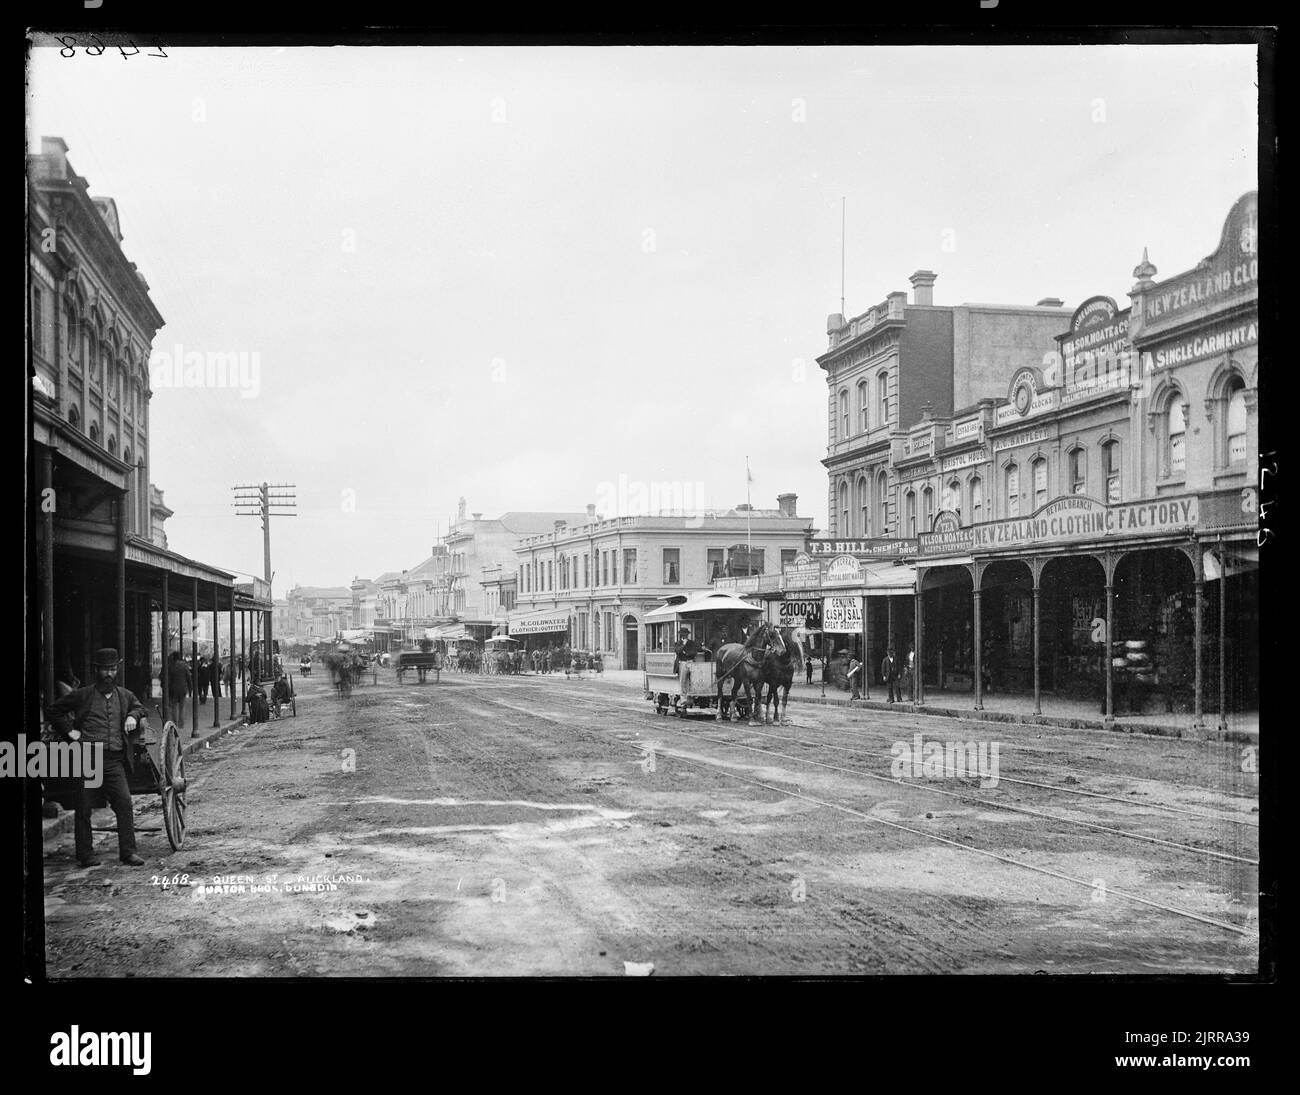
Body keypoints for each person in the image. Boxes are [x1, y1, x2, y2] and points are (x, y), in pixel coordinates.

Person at [46, 648, 149, 867]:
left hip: (113, 761)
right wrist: (69, 732)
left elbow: (141, 708)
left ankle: (128, 852)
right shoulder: (82, 695)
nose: (109, 674)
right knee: (83, 807)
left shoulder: (125, 695)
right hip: (87, 761)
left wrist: (132, 715)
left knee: (124, 802)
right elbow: (53, 711)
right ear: (96, 671)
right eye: (105, 670)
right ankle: (85, 854)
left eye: (113, 669)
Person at [166, 651, 191, 728]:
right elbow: (188, 677)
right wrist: (190, 689)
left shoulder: (171, 666)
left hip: (173, 689)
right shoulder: (184, 665)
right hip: (183, 689)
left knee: (174, 707)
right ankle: (181, 724)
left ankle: (175, 724)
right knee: (182, 707)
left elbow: (168, 678)